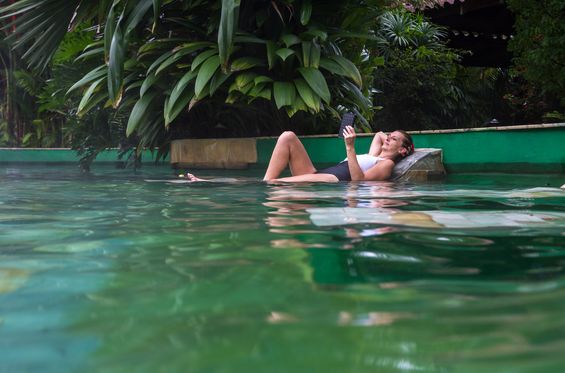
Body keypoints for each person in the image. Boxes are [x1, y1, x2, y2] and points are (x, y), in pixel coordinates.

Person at [184, 126, 414, 182]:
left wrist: (351, 147)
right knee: (287, 136)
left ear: (402, 150)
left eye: (395, 140)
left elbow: (358, 182)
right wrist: (394, 140)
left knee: (278, 184)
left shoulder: (385, 165)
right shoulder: (378, 153)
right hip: (322, 172)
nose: (388, 139)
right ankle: (266, 183)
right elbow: (379, 134)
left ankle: (208, 182)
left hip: (336, 179)